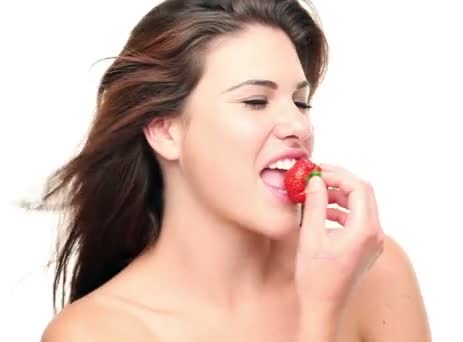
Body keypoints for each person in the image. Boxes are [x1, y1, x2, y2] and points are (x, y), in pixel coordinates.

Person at [39, 0, 431, 340]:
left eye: (301, 102)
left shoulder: (373, 271)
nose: (299, 125)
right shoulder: (94, 332)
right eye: (256, 101)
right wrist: (321, 312)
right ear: (165, 131)